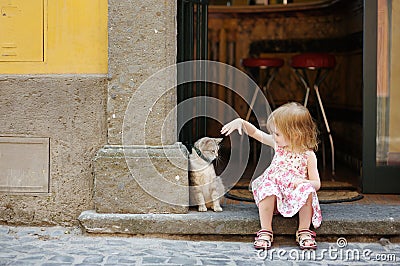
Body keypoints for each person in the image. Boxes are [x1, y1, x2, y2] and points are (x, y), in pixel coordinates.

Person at [221, 102, 322, 250]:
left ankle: (303, 231)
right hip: (275, 197)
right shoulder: (278, 145)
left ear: (294, 134)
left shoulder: (308, 155)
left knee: (307, 190)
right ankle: (266, 230)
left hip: (294, 197)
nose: (274, 137)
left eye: (277, 133)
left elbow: (316, 183)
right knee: (268, 187)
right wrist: (241, 123)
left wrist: (303, 182)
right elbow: (256, 133)